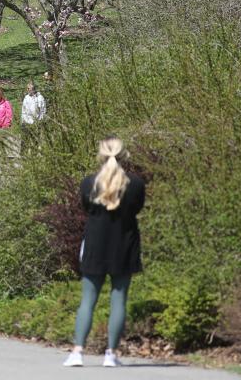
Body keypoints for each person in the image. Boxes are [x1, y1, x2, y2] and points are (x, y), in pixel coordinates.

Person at [64, 137, 146, 368]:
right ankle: (111, 354)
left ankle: (77, 351)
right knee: (119, 299)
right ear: (124, 156)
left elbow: (86, 208)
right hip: (125, 244)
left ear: (100, 156)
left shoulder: (89, 183)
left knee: (88, 300)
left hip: (95, 243)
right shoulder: (136, 184)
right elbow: (137, 208)